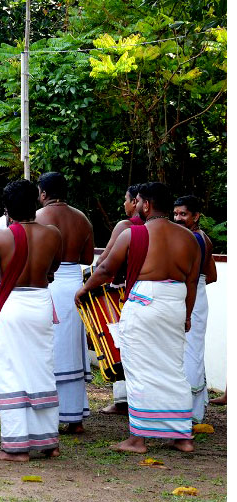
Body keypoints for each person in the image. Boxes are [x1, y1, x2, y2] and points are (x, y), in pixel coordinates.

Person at [76, 182, 199, 454]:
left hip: (145, 301)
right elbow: (192, 282)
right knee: (173, 367)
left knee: (138, 369)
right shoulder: (189, 238)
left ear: (146, 205)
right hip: (176, 302)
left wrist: (84, 290)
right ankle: (182, 436)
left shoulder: (133, 233)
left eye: (140, 201)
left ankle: (138, 439)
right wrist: (187, 314)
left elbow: (106, 269)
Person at [0, 179, 63, 462]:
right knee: (41, 368)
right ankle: (48, 441)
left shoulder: (1, 237)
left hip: (11, 305)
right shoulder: (53, 234)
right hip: (41, 304)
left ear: (7, 209)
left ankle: (16, 447)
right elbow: (53, 268)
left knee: (11, 371)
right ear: (36, 202)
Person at [36, 171, 95, 434]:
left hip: (50, 282)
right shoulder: (82, 218)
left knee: (50, 347)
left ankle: (51, 412)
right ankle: (75, 416)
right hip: (75, 284)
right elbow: (88, 258)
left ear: (43, 193)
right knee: (71, 347)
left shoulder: (39, 217)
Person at [95, 184, 142, 415]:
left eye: (126, 199)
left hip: (122, 293)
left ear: (136, 202)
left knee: (119, 343)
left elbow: (104, 260)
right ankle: (136, 399)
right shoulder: (161, 228)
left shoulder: (126, 226)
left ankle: (123, 400)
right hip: (148, 293)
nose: (124, 204)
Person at [173, 194, 216, 425]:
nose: (178, 218)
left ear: (196, 216)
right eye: (175, 213)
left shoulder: (193, 238)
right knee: (192, 352)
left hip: (190, 299)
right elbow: (212, 276)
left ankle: (188, 412)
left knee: (189, 353)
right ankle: (193, 410)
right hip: (196, 297)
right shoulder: (203, 237)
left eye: (184, 214)